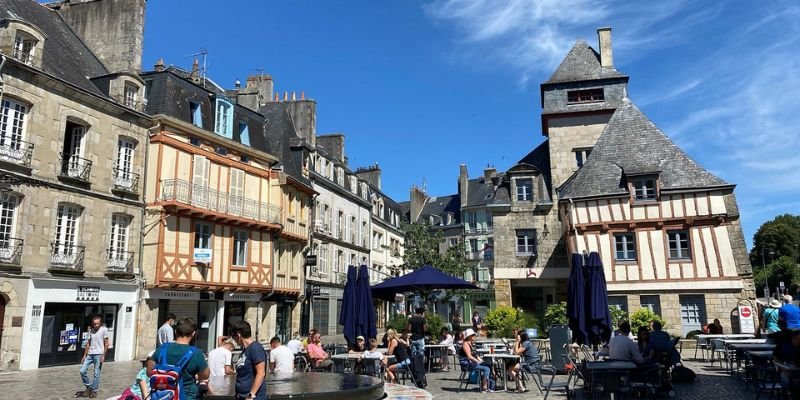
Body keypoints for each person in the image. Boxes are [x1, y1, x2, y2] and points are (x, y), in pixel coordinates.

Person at [152, 318, 210, 400]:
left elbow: (149, 371)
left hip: (161, 396)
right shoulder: (196, 353)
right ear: (193, 333)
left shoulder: (162, 349)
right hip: (186, 396)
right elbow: (205, 375)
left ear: (175, 331)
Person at [231, 321, 267, 400]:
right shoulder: (245, 350)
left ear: (238, 335)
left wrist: (251, 395)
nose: (234, 341)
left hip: (254, 397)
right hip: (241, 396)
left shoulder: (256, 348)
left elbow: (261, 373)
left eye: (234, 337)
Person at [78, 315, 109, 398]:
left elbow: (106, 343)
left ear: (100, 323)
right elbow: (88, 343)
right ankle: (89, 386)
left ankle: (94, 391)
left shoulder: (104, 330)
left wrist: (103, 356)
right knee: (82, 370)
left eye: (97, 324)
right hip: (90, 354)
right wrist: (84, 355)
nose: (96, 325)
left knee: (96, 373)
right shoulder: (90, 331)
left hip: (99, 354)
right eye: (94, 324)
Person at [459, 328, 493, 393]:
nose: (474, 336)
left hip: (473, 363)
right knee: (486, 369)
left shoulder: (471, 344)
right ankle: (484, 387)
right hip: (468, 364)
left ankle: (491, 386)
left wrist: (481, 360)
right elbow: (469, 356)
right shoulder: (465, 344)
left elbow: (475, 355)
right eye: (473, 335)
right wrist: (478, 362)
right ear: (469, 336)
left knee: (489, 365)